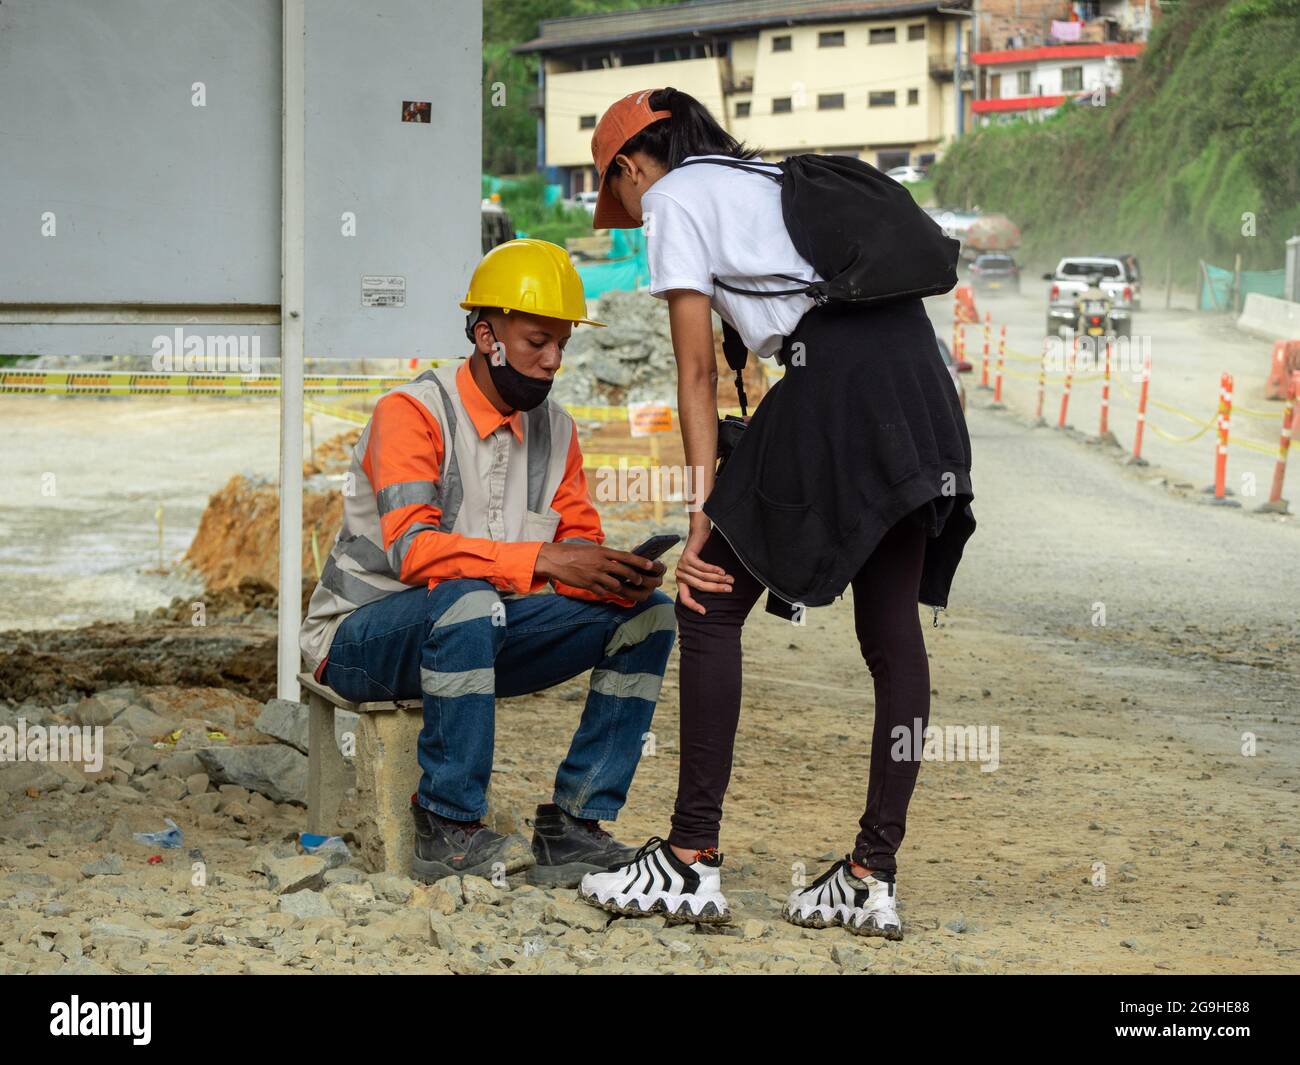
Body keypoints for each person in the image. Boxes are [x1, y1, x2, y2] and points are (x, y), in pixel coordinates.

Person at [576, 89, 975, 938]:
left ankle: (690, 858)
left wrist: (697, 518)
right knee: (892, 630)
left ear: (630, 166)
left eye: (622, 193)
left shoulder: (678, 196)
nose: (633, 211)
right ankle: (872, 872)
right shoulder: (761, 179)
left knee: (708, 599)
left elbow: (692, 375)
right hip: (917, 380)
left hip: (834, 379)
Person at [299, 239, 677, 887]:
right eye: (537, 340)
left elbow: (574, 547)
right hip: (359, 638)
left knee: (646, 616)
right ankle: (448, 825)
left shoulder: (557, 431)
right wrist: (545, 558)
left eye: (563, 343)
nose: (554, 359)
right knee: (468, 595)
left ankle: (575, 826)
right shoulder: (411, 413)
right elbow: (413, 550)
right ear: (485, 335)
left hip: (480, 631)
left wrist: (611, 571)